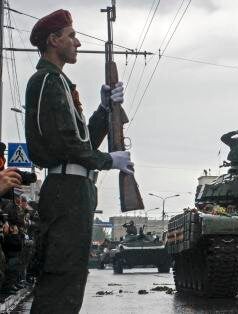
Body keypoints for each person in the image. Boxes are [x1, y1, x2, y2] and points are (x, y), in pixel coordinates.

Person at [24, 9, 134, 313]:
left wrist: (102, 109)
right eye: (71, 36)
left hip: (75, 189)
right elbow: (66, 144)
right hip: (66, 189)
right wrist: (108, 160)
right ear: (53, 40)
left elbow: (80, 139)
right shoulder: (46, 80)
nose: (78, 43)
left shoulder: (59, 82)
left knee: (71, 278)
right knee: (61, 278)